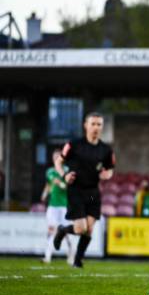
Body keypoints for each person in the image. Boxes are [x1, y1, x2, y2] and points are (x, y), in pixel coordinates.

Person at [53, 112, 115, 268]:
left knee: (89, 229)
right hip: (76, 191)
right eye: (93, 124)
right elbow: (58, 162)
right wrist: (64, 175)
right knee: (81, 229)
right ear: (85, 125)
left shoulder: (106, 150)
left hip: (93, 192)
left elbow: (110, 169)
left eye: (99, 124)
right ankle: (62, 230)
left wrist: (107, 174)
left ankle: (77, 261)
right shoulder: (74, 144)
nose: (96, 127)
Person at [41, 149, 75, 264]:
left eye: (57, 157)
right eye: (54, 157)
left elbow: (69, 185)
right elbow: (50, 183)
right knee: (51, 229)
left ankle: (71, 252)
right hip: (52, 206)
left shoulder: (66, 171)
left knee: (65, 232)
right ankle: (47, 256)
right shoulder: (50, 171)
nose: (55, 159)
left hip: (63, 206)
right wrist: (45, 193)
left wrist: (63, 184)